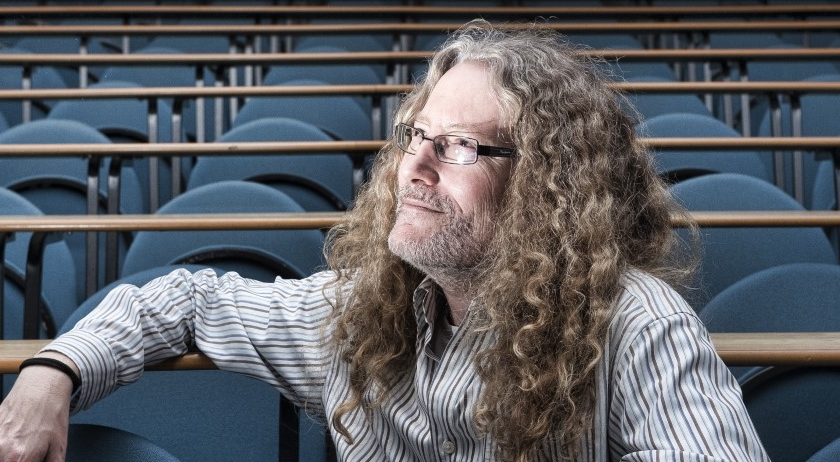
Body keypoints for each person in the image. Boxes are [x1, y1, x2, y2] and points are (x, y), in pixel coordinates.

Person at [0, 21, 768, 462]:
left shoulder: (638, 327)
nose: (414, 169)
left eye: (460, 147)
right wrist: (53, 371)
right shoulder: (363, 312)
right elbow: (188, 300)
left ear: (548, 187)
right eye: (415, 136)